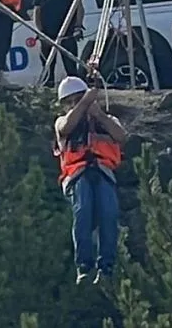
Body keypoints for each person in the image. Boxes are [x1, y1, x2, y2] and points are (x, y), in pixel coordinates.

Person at [54, 76, 127, 285]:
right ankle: (84, 265)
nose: (76, 105)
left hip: (103, 171)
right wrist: (85, 102)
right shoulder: (62, 121)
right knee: (83, 210)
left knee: (109, 214)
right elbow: (66, 128)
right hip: (77, 175)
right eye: (72, 101)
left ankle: (107, 266)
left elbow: (121, 136)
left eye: (79, 99)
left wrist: (99, 115)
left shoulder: (107, 120)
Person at [33, 0, 85, 87]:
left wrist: (78, 27)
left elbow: (79, 7)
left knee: (71, 69)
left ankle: (77, 95)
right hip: (48, 36)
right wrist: (40, 33)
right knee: (48, 70)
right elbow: (37, 12)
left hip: (67, 34)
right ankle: (48, 98)